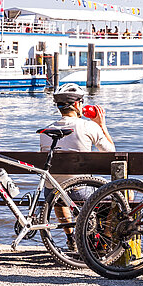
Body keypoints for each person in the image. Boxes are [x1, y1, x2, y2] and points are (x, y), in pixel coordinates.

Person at [43, 84, 115, 240]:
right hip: (80, 191)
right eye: (81, 102)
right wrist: (102, 125)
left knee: (57, 189)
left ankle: (71, 239)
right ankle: (105, 239)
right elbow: (111, 153)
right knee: (121, 196)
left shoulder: (45, 131)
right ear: (76, 104)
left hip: (52, 192)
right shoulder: (89, 126)